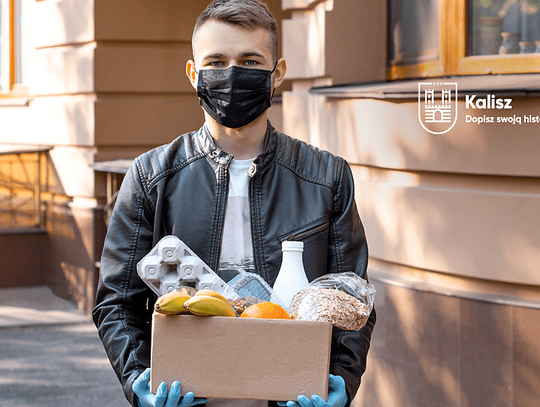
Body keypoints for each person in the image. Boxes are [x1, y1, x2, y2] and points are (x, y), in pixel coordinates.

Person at [92, 1, 376, 407]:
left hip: (290, 394)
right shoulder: (151, 177)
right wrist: (138, 379)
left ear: (277, 73)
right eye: (216, 61)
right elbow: (117, 301)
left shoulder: (326, 178)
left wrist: (341, 382)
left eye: (249, 60)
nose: (231, 75)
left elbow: (352, 305)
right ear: (194, 74)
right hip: (187, 394)